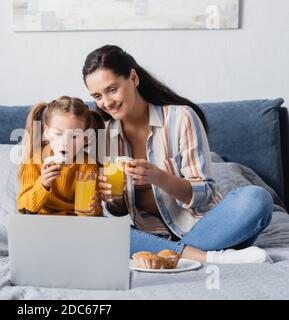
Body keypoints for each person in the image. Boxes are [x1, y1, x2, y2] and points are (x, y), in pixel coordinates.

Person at [82, 45, 273, 264]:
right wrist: (114, 200)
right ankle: (210, 258)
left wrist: (158, 177)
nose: (106, 103)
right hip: (147, 236)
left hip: (203, 229)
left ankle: (176, 254)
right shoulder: (102, 135)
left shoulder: (182, 118)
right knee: (103, 231)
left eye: (112, 89)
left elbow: (206, 193)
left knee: (257, 199)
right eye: (97, 96)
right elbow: (116, 214)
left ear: (133, 78)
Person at [17, 96, 105, 216]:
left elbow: (93, 211)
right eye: (58, 134)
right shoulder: (34, 161)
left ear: (85, 139)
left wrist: (94, 210)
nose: (65, 142)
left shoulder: (89, 165)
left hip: (74, 225)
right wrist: (43, 184)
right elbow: (23, 208)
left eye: (74, 137)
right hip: (41, 224)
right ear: (46, 132)